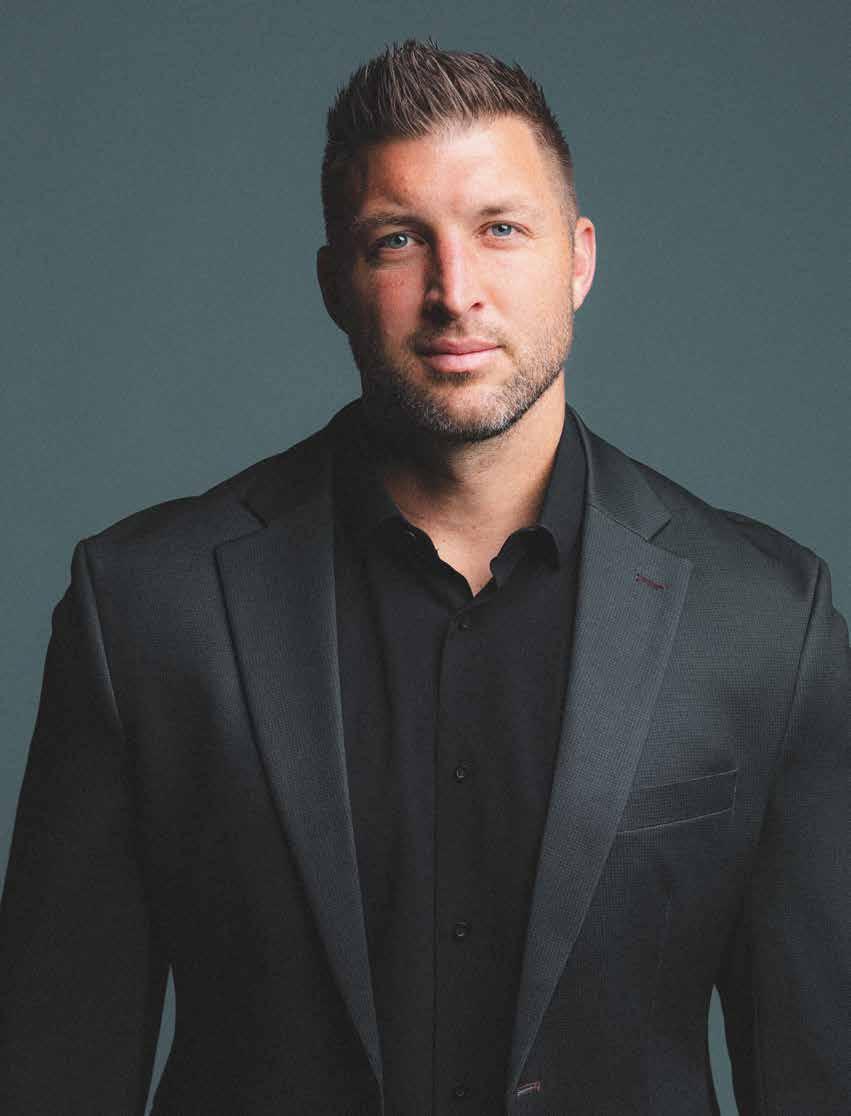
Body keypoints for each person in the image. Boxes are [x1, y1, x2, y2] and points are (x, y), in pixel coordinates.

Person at [0, 36, 848, 1116]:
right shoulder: (144, 608)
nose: (455, 292)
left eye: (501, 229)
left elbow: (820, 1073)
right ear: (334, 283)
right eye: (398, 240)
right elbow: (53, 1068)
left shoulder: (764, 617)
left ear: (577, 258)